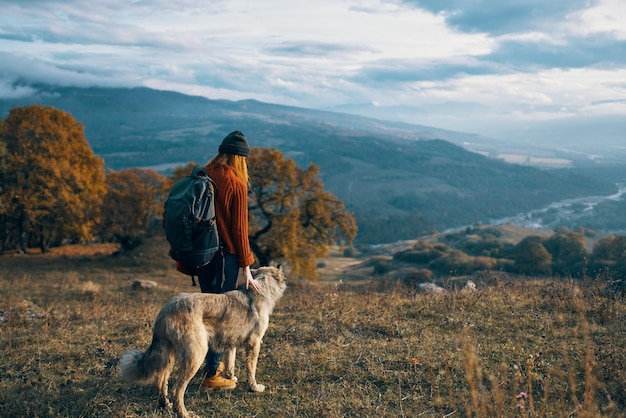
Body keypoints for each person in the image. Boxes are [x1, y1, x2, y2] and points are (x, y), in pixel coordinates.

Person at [197, 130, 262, 390]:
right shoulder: (235, 182)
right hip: (224, 257)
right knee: (220, 314)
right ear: (240, 159)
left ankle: (208, 364)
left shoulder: (202, 174)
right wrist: (246, 266)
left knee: (207, 311)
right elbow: (239, 230)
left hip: (202, 256)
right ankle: (211, 374)